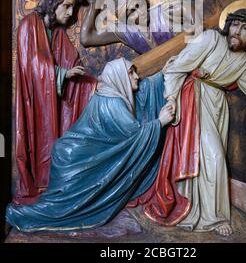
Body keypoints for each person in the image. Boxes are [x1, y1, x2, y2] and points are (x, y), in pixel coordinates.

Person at [139, 0, 246, 237]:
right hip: (193, 98)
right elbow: (177, 68)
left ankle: (197, 209)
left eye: (245, 29)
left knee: (208, 159)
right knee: (212, 156)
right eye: (235, 25)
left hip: (217, 106)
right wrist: (172, 98)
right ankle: (213, 218)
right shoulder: (210, 39)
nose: (237, 31)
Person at [6, 59, 175, 232]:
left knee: (61, 195)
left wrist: (162, 74)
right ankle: (39, 213)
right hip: (80, 153)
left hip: (77, 146)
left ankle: (45, 208)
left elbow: (142, 91)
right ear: (119, 77)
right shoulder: (113, 103)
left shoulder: (112, 91)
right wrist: (159, 123)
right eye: (131, 73)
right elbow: (135, 136)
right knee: (63, 204)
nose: (137, 77)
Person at [15, 0, 97, 205]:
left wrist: (91, 84)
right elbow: (32, 65)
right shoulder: (29, 24)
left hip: (55, 99)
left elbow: (71, 58)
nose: (70, 13)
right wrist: (63, 73)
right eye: (67, 6)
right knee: (38, 138)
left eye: (73, 7)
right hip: (36, 99)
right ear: (53, 4)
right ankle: (41, 183)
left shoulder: (57, 32)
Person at [80, 0, 194, 54]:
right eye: (132, 12)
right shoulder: (129, 32)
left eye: (140, 5)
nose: (140, 12)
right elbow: (86, 38)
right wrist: (96, 1)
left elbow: (185, 7)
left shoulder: (162, 12)